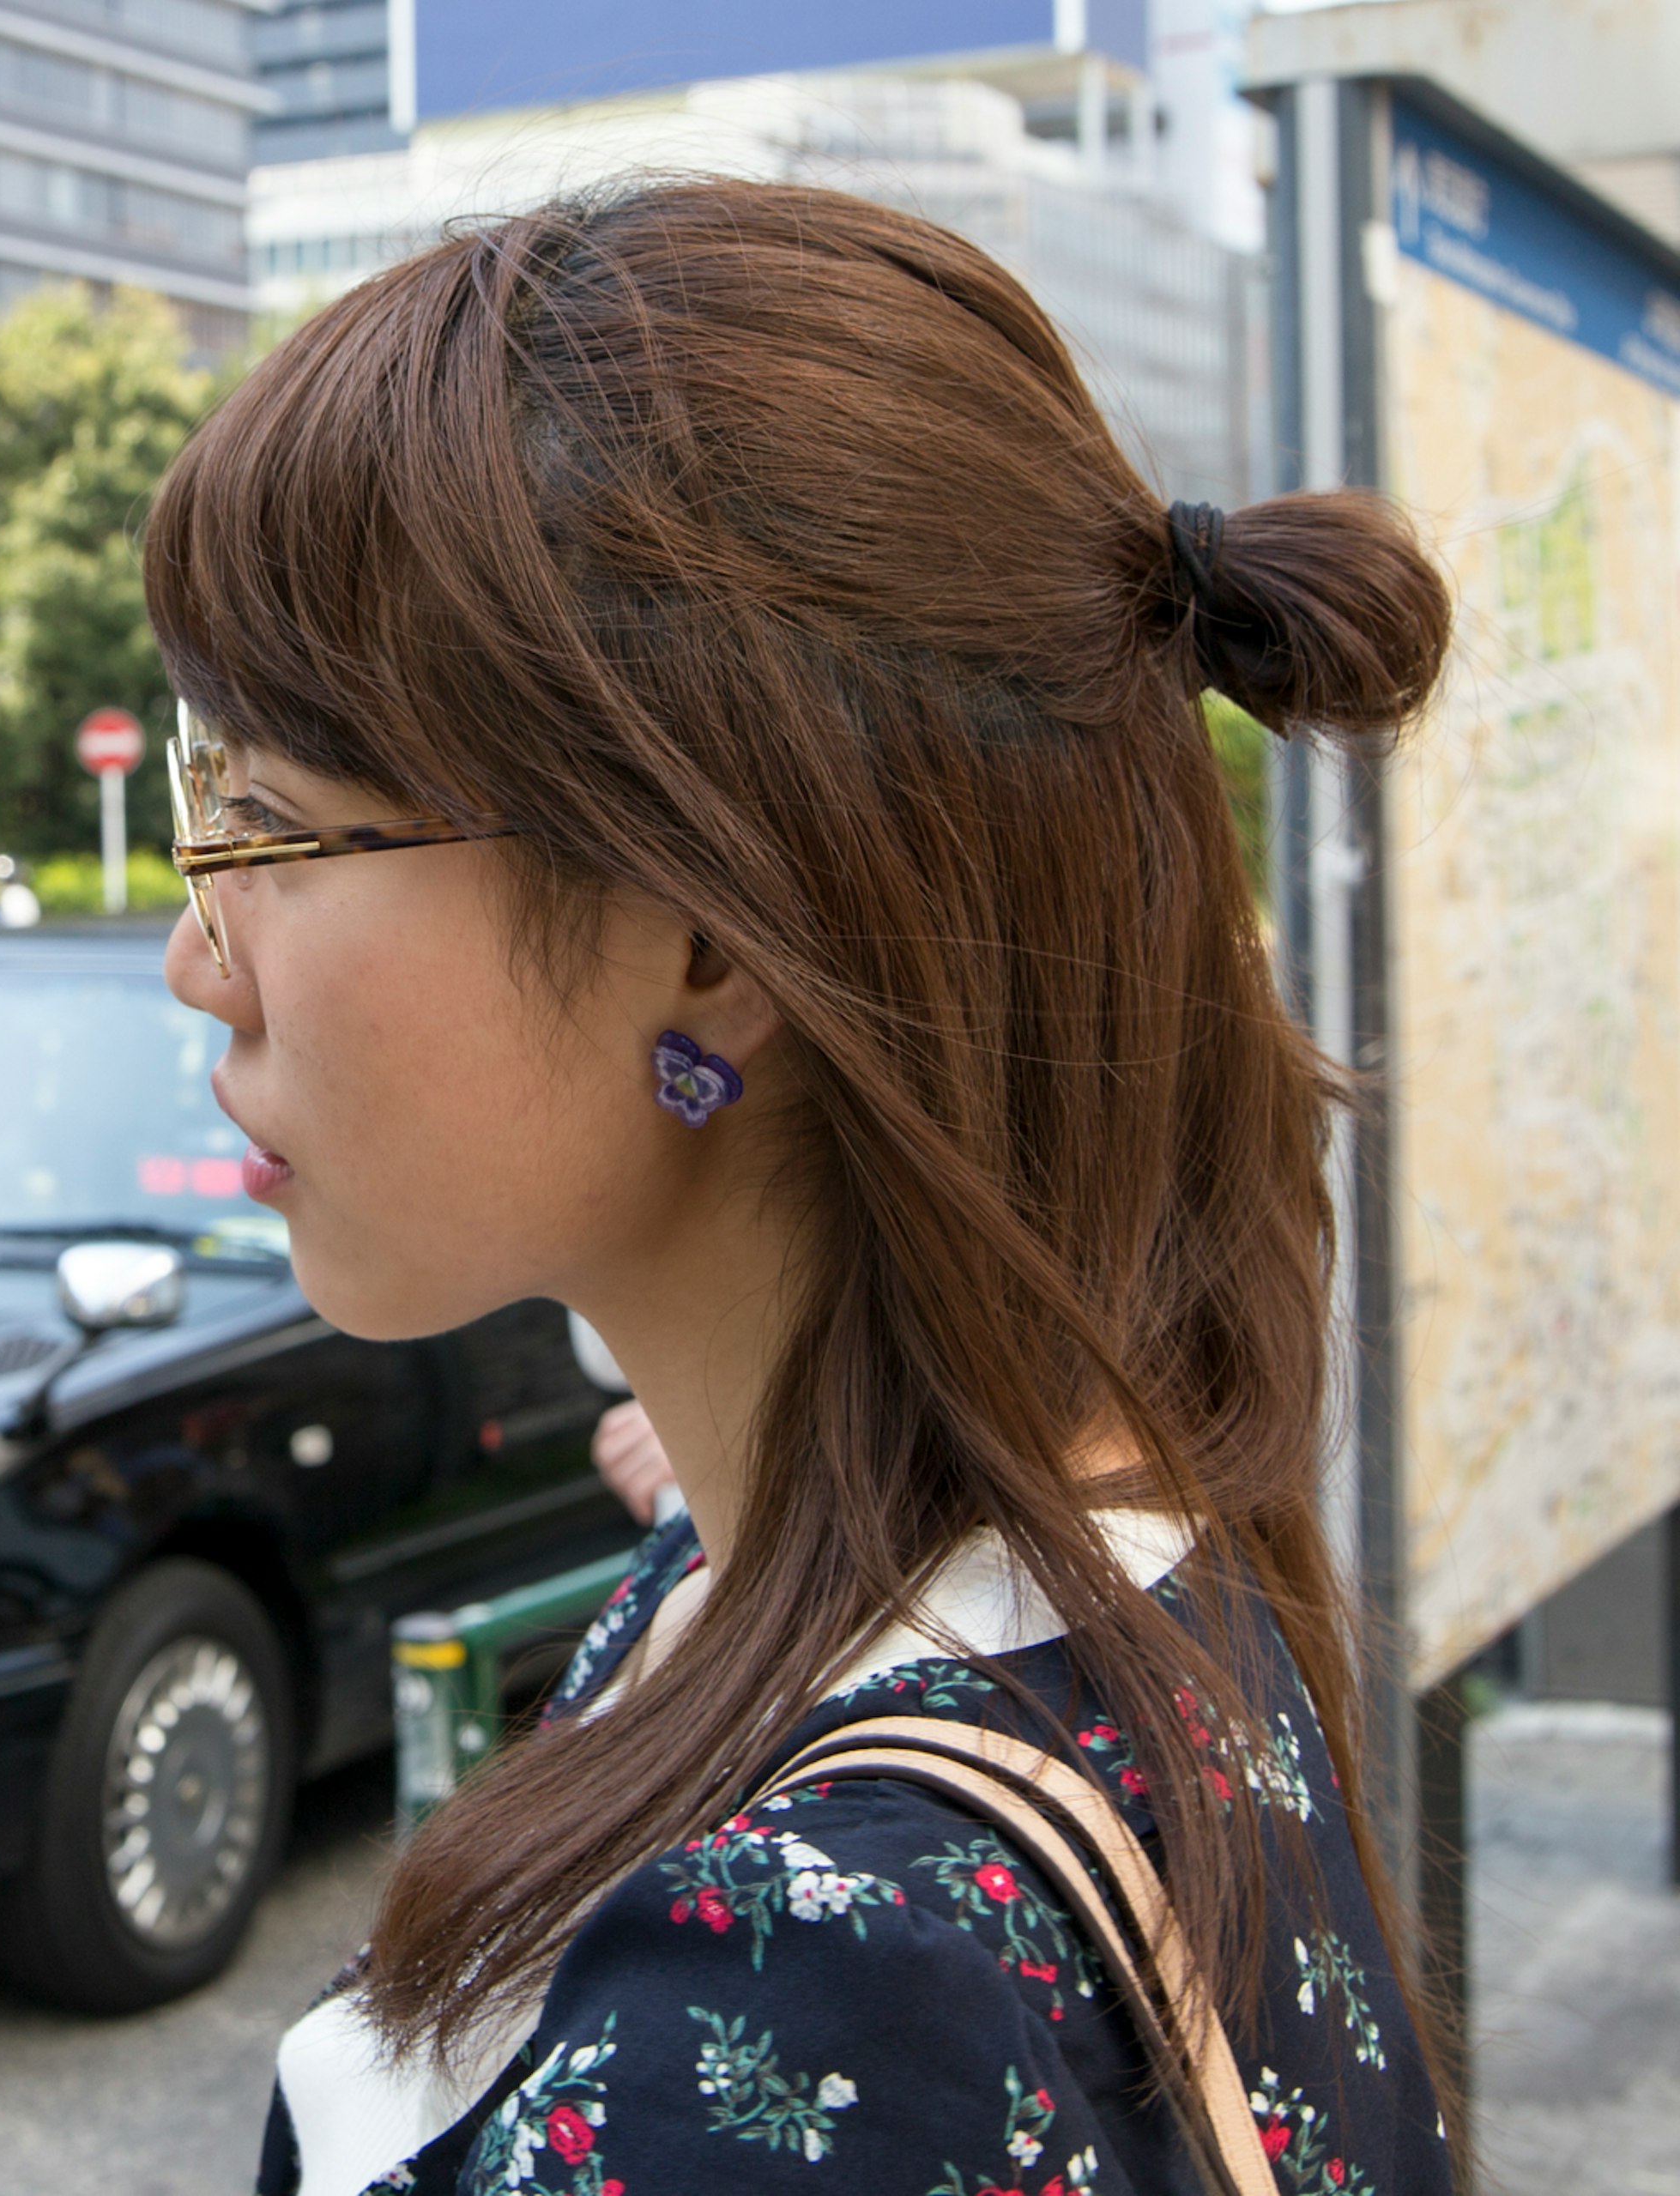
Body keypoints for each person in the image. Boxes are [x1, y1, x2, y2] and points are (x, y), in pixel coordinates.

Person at [149, 182, 1457, 2195]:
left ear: (714, 932)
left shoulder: (820, 1988)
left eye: (273, 822)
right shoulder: (1085, 1555)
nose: (197, 950)